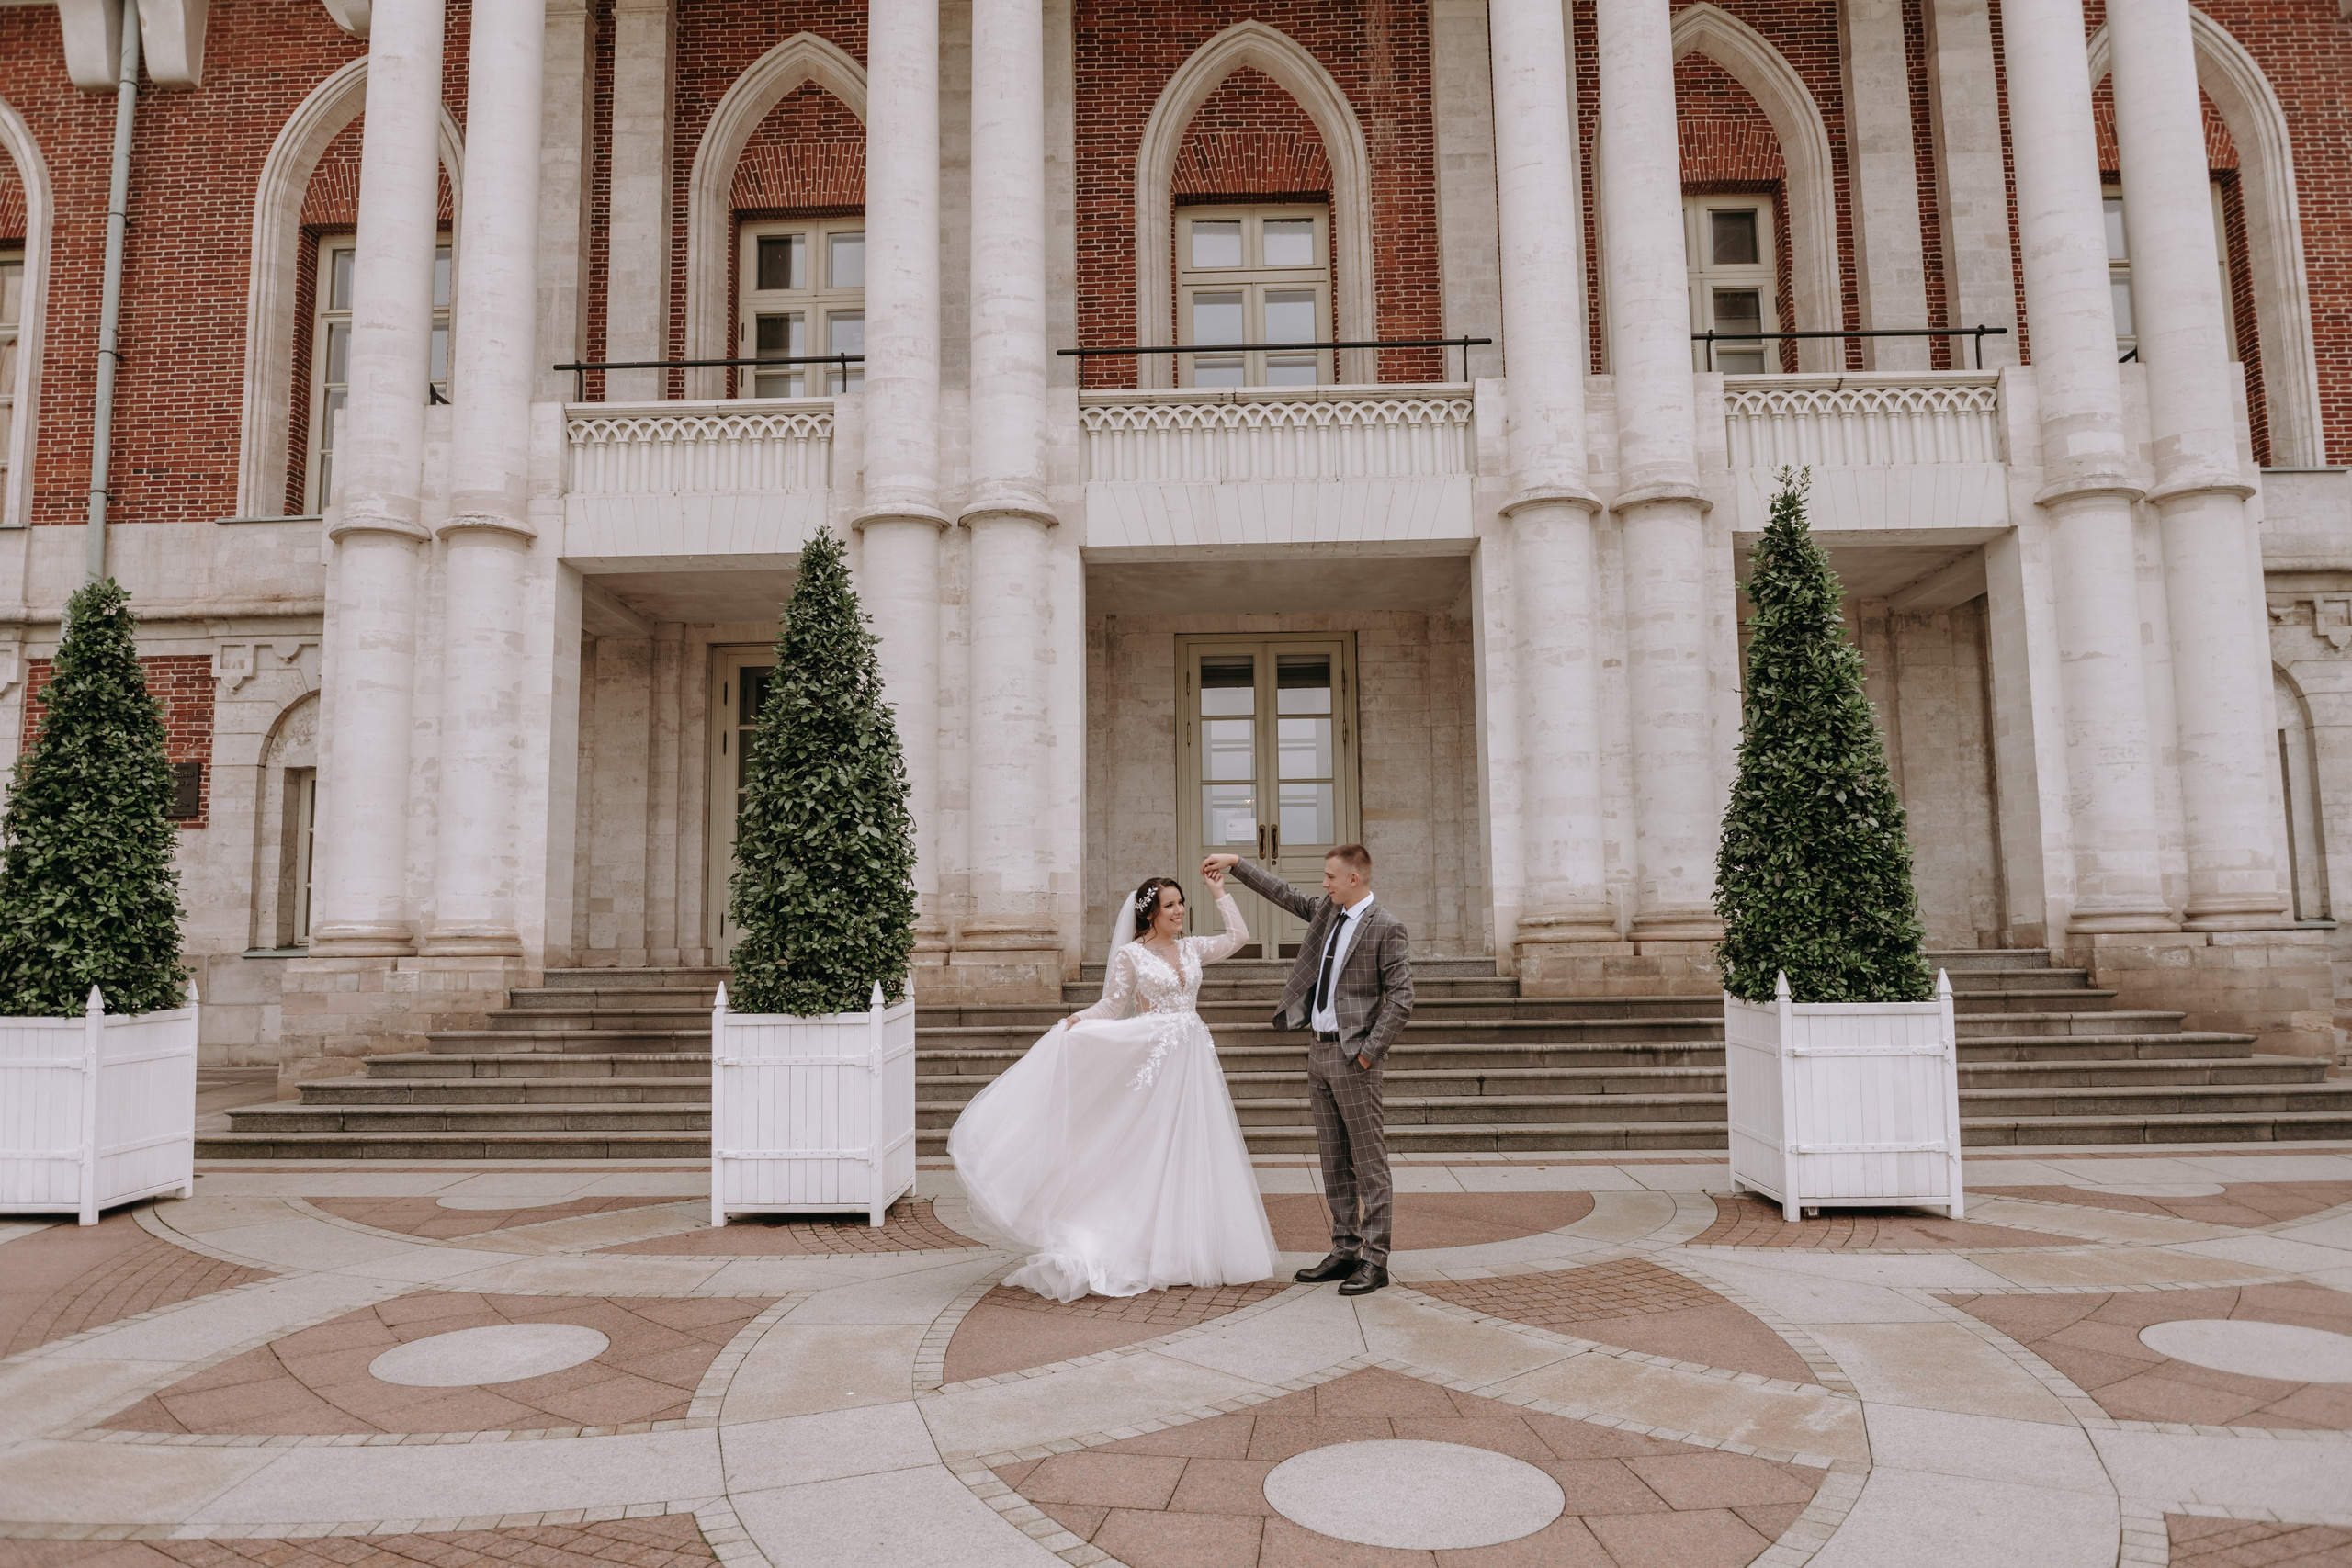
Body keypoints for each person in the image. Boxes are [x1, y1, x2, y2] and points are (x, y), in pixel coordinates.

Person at [947, 864, 1276, 1302]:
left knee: (1192, 1148)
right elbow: (1111, 1005)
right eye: (1170, 905)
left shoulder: (1193, 948)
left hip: (1192, 1061)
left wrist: (1219, 891)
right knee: (1146, 1150)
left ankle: (1182, 1248)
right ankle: (1133, 1243)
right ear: (1149, 914)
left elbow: (1238, 938)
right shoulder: (1131, 956)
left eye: (1181, 903)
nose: (1179, 911)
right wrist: (1076, 1020)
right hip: (1153, 1062)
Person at [1201, 846, 1412, 1296]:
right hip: (1318, 1053)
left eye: (1331, 877)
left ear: (1354, 879)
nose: (1323, 883)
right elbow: (1282, 892)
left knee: (1369, 1163)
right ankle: (1345, 1249)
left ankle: (1375, 1261)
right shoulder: (1326, 914)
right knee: (1333, 1160)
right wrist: (1237, 865)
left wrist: (1368, 1053)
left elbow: (1401, 998)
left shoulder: (1386, 927)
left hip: (1355, 1058)